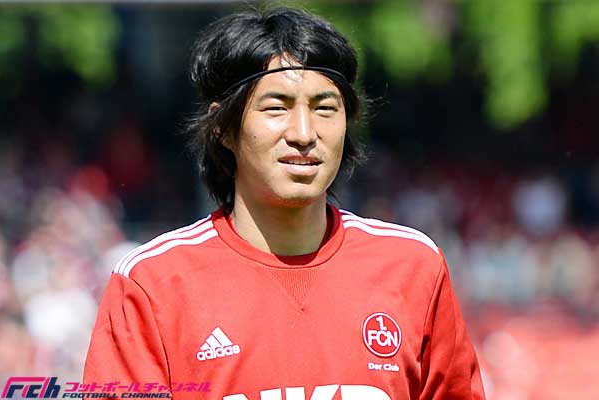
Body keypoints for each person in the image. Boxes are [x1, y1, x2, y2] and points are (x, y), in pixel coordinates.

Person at [84, 7, 486, 400]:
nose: (304, 133)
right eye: (277, 108)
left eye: (325, 108)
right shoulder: (153, 285)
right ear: (223, 127)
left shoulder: (413, 266)